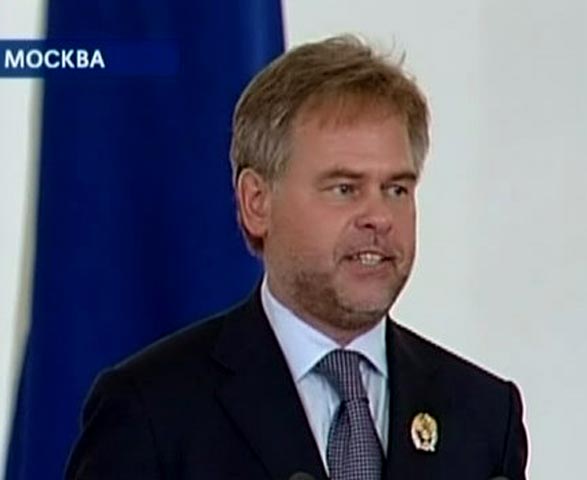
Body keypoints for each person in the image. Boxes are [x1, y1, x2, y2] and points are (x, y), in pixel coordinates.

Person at [66, 35, 528, 480]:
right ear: (257, 202)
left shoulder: (483, 416)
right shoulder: (151, 410)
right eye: (344, 188)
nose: (379, 218)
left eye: (396, 190)